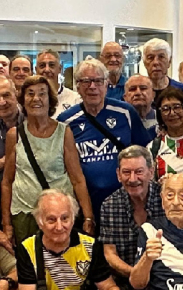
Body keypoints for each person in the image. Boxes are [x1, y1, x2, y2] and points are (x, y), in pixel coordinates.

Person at [2, 75, 94, 245]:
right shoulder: (14, 135)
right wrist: (7, 224)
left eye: (42, 93)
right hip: (25, 215)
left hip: (59, 216)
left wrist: (88, 217)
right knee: (30, 259)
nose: (36, 98)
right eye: (30, 93)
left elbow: (77, 179)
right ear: (23, 100)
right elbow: (7, 182)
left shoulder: (64, 132)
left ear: (50, 100)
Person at [59, 58, 150, 219]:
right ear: (77, 86)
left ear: (106, 84)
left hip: (126, 202)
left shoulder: (125, 112)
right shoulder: (66, 120)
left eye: (98, 81)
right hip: (86, 204)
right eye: (86, 81)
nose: (92, 86)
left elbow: (144, 152)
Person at [99, 146, 165, 290]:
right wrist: (136, 274)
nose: (133, 178)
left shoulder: (167, 198)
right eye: (126, 172)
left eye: (139, 172)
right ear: (118, 175)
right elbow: (109, 254)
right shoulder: (109, 205)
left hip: (164, 279)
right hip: (124, 279)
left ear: (151, 172)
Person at [141, 39, 183, 107]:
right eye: (150, 58)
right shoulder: (138, 92)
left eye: (161, 57)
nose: (156, 62)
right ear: (144, 63)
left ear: (169, 61)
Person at [35, 49, 79, 117]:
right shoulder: (30, 99)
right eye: (42, 65)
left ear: (59, 69)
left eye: (51, 65)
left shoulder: (75, 99)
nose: (47, 70)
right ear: (36, 70)